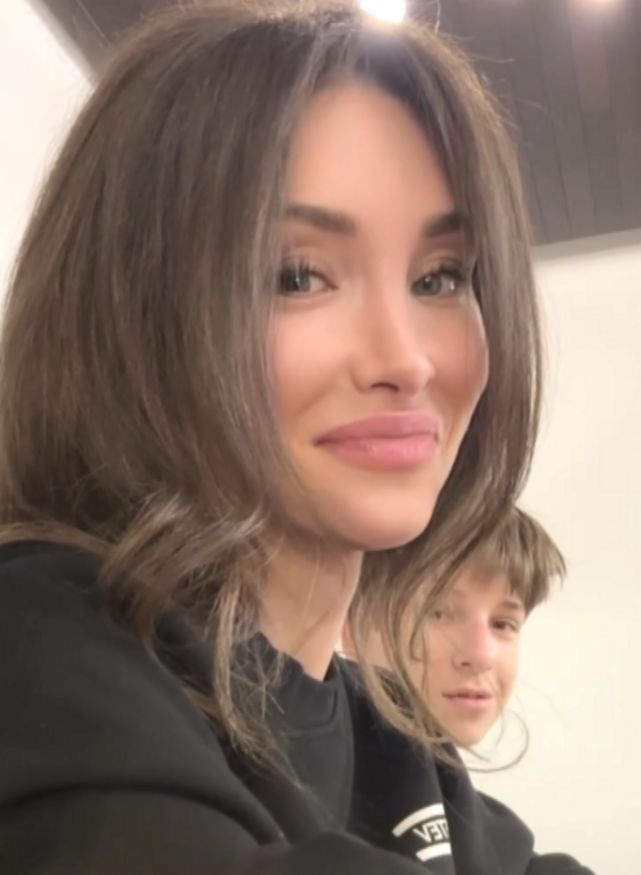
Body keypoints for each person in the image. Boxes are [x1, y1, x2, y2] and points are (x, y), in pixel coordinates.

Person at [0, 1, 587, 872]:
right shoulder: (38, 648)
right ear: (133, 313)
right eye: (297, 275)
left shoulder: (397, 748)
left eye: (440, 277)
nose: (406, 360)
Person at [342, 508, 593, 873]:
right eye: (438, 612)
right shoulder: (290, 795)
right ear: (351, 623)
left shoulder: (503, 845)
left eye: (503, 623)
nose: (481, 656)